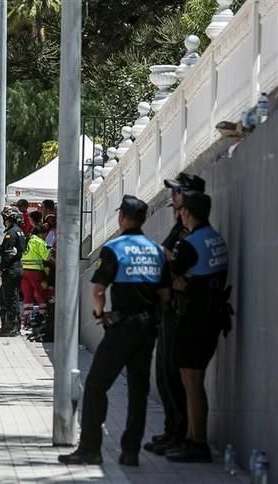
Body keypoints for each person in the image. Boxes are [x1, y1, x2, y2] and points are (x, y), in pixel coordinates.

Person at [59, 195, 170, 467]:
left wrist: (100, 314)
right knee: (137, 390)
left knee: (97, 384)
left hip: (121, 327)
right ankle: (130, 452)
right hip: (148, 328)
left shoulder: (116, 248)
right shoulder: (156, 250)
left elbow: (98, 291)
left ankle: (90, 449)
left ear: (121, 218)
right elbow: (166, 295)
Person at [165, 191, 230, 463]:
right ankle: (193, 439)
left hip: (195, 319)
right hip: (212, 316)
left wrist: (177, 277)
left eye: (180, 210)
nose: (178, 214)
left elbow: (169, 275)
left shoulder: (190, 244)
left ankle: (197, 442)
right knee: (193, 380)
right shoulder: (215, 238)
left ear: (187, 213)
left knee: (191, 382)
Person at [144, 172, 206, 456]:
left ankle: (181, 434)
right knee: (165, 375)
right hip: (169, 309)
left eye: (177, 194)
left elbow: (171, 266)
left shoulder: (189, 232)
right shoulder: (180, 228)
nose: (172, 199)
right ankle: (173, 430)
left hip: (180, 310)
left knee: (174, 375)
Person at [0, 206, 27, 337]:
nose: (4, 220)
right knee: (8, 298)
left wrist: (1, 269)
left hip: (11, 269)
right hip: (17, 268)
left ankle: (11, 328)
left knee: (8, 299)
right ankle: (13, 327)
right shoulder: (19, 231)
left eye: (5, 218)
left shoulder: (11, 233)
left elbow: (8, 254)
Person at [20, 226, 50, 326]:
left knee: (27, 296)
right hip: (36, 271)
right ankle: (43, 317)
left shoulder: (26, 240)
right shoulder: (39, 242)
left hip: (24, 271)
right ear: (42, 233)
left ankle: (25, 320)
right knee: (39, 294)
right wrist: (50, 250)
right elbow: (46, 257)